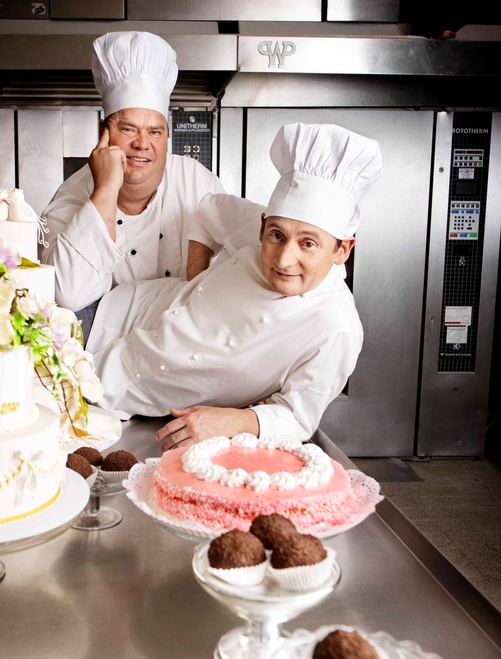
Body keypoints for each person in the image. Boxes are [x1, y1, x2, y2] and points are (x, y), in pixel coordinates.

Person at [85, 122, 384, 451]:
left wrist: (235, 420)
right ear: (262, 227)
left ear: (343, 249)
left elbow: (299, 417)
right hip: (104, 317)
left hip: (128, 401)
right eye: (276, 235)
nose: (284, 259)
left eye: (309, 244)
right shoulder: (251, 225)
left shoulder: (336, 327)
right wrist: (196, 284)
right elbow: (207, 210)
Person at [39, 31, 225, 340]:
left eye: (155, 132)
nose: (142, 144)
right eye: (128, 129)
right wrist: (106, 188)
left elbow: (234, 272)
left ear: (167, 137)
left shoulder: (197, 182)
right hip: (104, 358)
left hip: (185, 347)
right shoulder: (72, 196)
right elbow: (66, 298)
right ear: (104, 133)